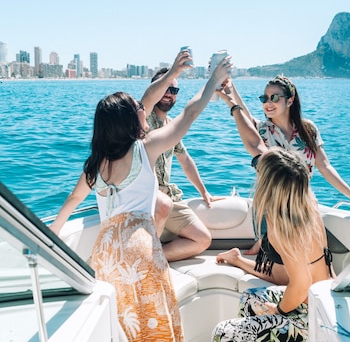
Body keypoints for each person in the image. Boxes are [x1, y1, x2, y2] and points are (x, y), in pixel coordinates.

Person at [49, 49, 232, 342]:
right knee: (154, 327)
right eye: (139, 110)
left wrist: (55, 231)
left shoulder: (96, 164)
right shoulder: (144, 150)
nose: (144, 110)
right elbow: (191, 112)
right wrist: (213, 80)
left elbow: (72, 200)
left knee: (124, 327)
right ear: (130, 120)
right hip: (138, 250)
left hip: (105, 253)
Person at [218, 75, 350, 257]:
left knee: (314, 257)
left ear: (290, 100)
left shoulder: (308, 129)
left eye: (274, 97)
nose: (268, 103)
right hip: (271, 205)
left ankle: (256, 249)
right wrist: (231, 88)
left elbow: (325, 166)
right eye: (264, 98)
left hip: (303, 202)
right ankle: (252, 251)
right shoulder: (262, 130)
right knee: (278, 261)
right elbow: (243, 113)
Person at [212, 147, 334, 342]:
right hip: (326, 300)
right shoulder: (307, 203)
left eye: (258, 167)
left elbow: (302, 284)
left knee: (223, 332)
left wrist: (277, 310)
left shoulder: (281, 225)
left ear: (268, 183)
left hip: (313, 318)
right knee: (250, 298)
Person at [142, 67, 220, 262]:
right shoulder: (140, 120)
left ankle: (151, 258)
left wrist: (204, 192)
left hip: (169, 197)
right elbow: (146, 102)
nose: (169, 94)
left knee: (202, 240)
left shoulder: (171, 126)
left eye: (174, 90)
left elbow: (185, 159)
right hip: (146, 197)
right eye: (165, 88)